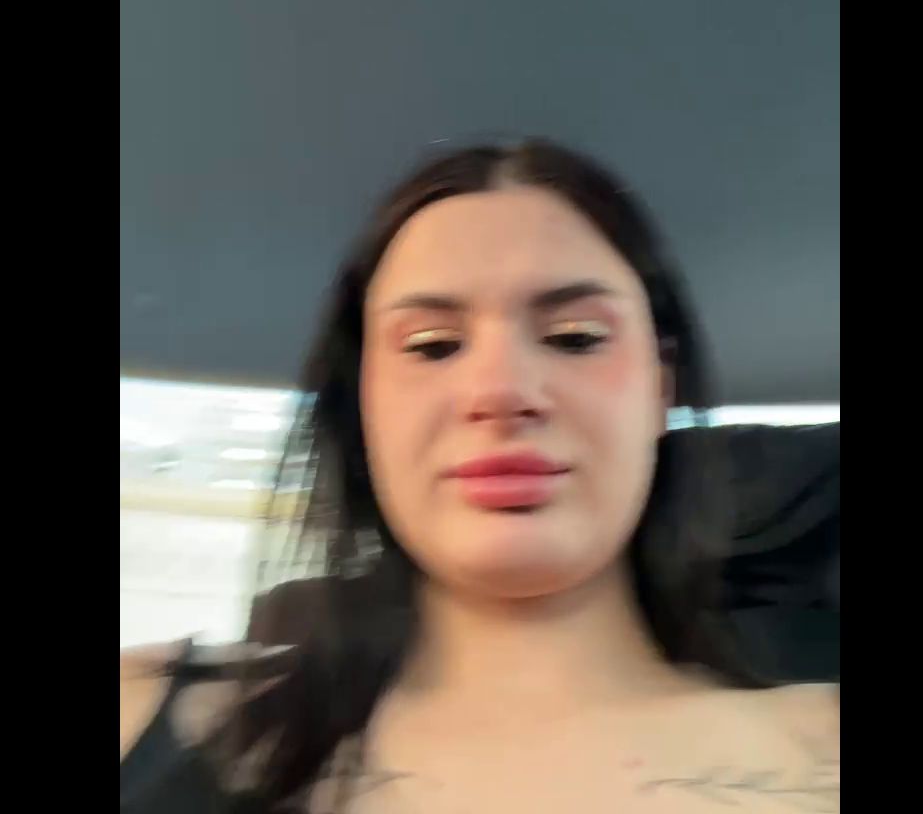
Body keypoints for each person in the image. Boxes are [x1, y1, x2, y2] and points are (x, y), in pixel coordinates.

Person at [120, 139, 839, 813]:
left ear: (660, 386)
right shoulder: (143, 714)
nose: (499, 390)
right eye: (433, 346)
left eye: (575, 338)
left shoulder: (821, 743)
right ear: (363, 405)